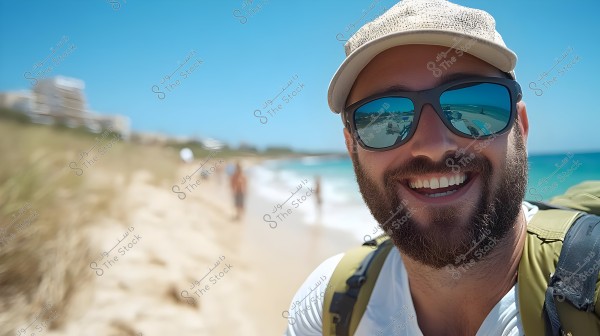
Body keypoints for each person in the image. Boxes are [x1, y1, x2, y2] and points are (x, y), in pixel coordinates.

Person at [284, 1, 599, 335]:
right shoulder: (326, 304)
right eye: (387, 117)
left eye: (469, 105)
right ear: (352, 147)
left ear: (519, 126)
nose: (433, 144)